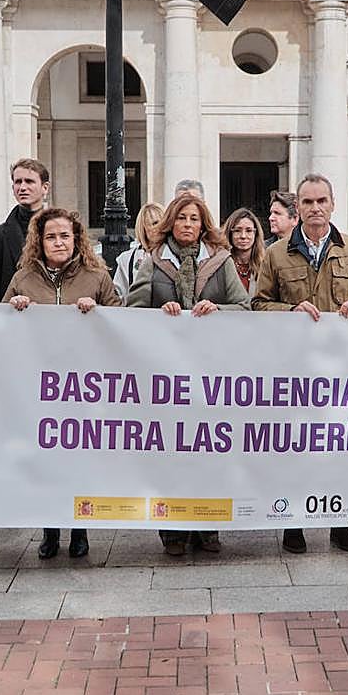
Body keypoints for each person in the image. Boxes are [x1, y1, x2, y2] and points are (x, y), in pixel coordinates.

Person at [252, 173, 348, 554]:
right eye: (307, 202)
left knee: (337, 448)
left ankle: (341, 522)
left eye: (322, 201)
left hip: (340, 371)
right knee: (295, 448)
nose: (315, 208)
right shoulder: (275, 254)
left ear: (333, 204)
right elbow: (258, 304)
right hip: (294, 371)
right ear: (298, 208)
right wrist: (290, 309)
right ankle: (294, 523)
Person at [126, 192, 250, 556]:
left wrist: (219, 309)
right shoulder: (153, 261)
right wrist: (158, 312)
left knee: (209, 450)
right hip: (167, 377)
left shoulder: (221, 261)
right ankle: (174, 530)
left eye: (194, 219)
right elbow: (132, 309)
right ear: (171, 223)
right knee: (172, 451)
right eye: (181, 218)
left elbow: (244, 306)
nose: (188, 225)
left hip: (211, 375)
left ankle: (208, 527)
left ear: (203, 224)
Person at [5, 207, 121, 560]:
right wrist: (14, 307)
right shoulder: (23, 278)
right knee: (46, 457)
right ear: (39, 241)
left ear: (76, 240)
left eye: (65, 236)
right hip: (39, 385)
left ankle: (79, 527)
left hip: (84, 385)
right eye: (51, 236)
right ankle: (50, 528)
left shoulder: (97, 276)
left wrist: (99, 312)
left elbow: (122, 322)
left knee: (79, 457)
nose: (58, 242)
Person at [0, 158, 51, 302]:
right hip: (12, 317)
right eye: (18, 182)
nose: (22, 187)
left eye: (29, 181)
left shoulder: (64, 235)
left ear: (45, 187)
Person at [113, 203, 164, 301]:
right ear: (143, 229)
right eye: (153, 224)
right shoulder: (126, 259)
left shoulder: (176, 254)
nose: (158, 228)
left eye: (161, 223)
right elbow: (117, 298)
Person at [223, 208, 266, 296]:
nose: (243, 236)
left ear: (256, 234)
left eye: (249, 231)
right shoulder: (222, 264)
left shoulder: (265, 264)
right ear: (230, 234)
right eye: (237, 230)